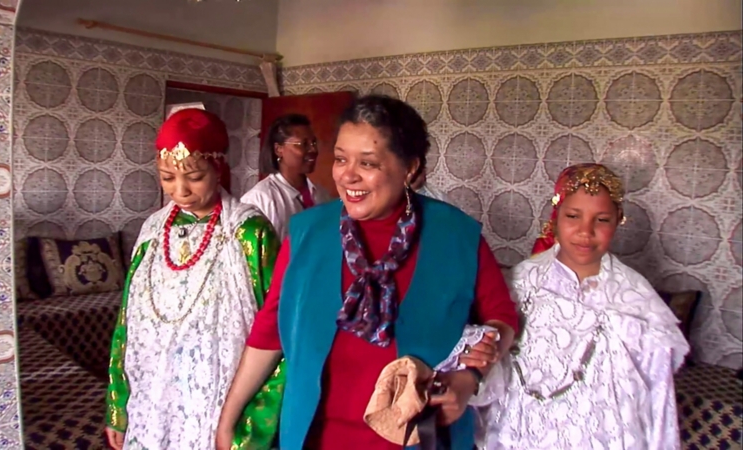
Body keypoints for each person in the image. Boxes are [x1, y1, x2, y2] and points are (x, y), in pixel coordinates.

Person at [216, 95, 519, 450]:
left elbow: (502, 319)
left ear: (409, 168)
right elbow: (269, 333)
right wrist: (228, 421)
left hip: (421, 436)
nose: (348, 175)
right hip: (317, 437)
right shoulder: (307, 234)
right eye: (340, 158)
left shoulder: (456, 235)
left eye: (368, 163)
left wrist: (470, 378)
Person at [104, 109, 284, 450]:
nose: (180, 190)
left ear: (219, 169)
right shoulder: (153, 231)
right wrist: (118, 404)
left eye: (195, 176)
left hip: (216, 395)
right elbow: (128, 321)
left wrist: (250, 423)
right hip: (153, 395)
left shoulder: (248, 232)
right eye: (167, 177)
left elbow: (275, 327)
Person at [477, 163, 689, 449]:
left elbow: (659, 397)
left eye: (601, 220)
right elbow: (493, 362)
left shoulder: (636, 300)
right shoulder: (520, 282)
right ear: (556, 216)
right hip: (518, 430)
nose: (585, 231)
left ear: (618, 220)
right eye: (573, 216)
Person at [241, 114, 332, 240]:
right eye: (303, 144)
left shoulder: (321, 195)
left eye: (314, 142)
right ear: (279, 149)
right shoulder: (259, 200)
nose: (313, 150)